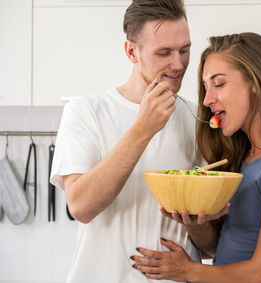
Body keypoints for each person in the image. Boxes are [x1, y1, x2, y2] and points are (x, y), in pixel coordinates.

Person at [130, 32, 261, 283]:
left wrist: (186, 270)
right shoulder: (246, 154)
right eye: (206, 87)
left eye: (219, 84)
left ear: (257, 83)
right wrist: (196, 224)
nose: (207, 100)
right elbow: (225, 250)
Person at [50, 1, 204, 282]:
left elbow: (210, 244)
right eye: (164, 53)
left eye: (185, 50)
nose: (179, 64)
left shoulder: (197, 119)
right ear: (131, 51)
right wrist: (143, 129)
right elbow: (81, 207)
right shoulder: (86, 111)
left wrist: (197, 229)